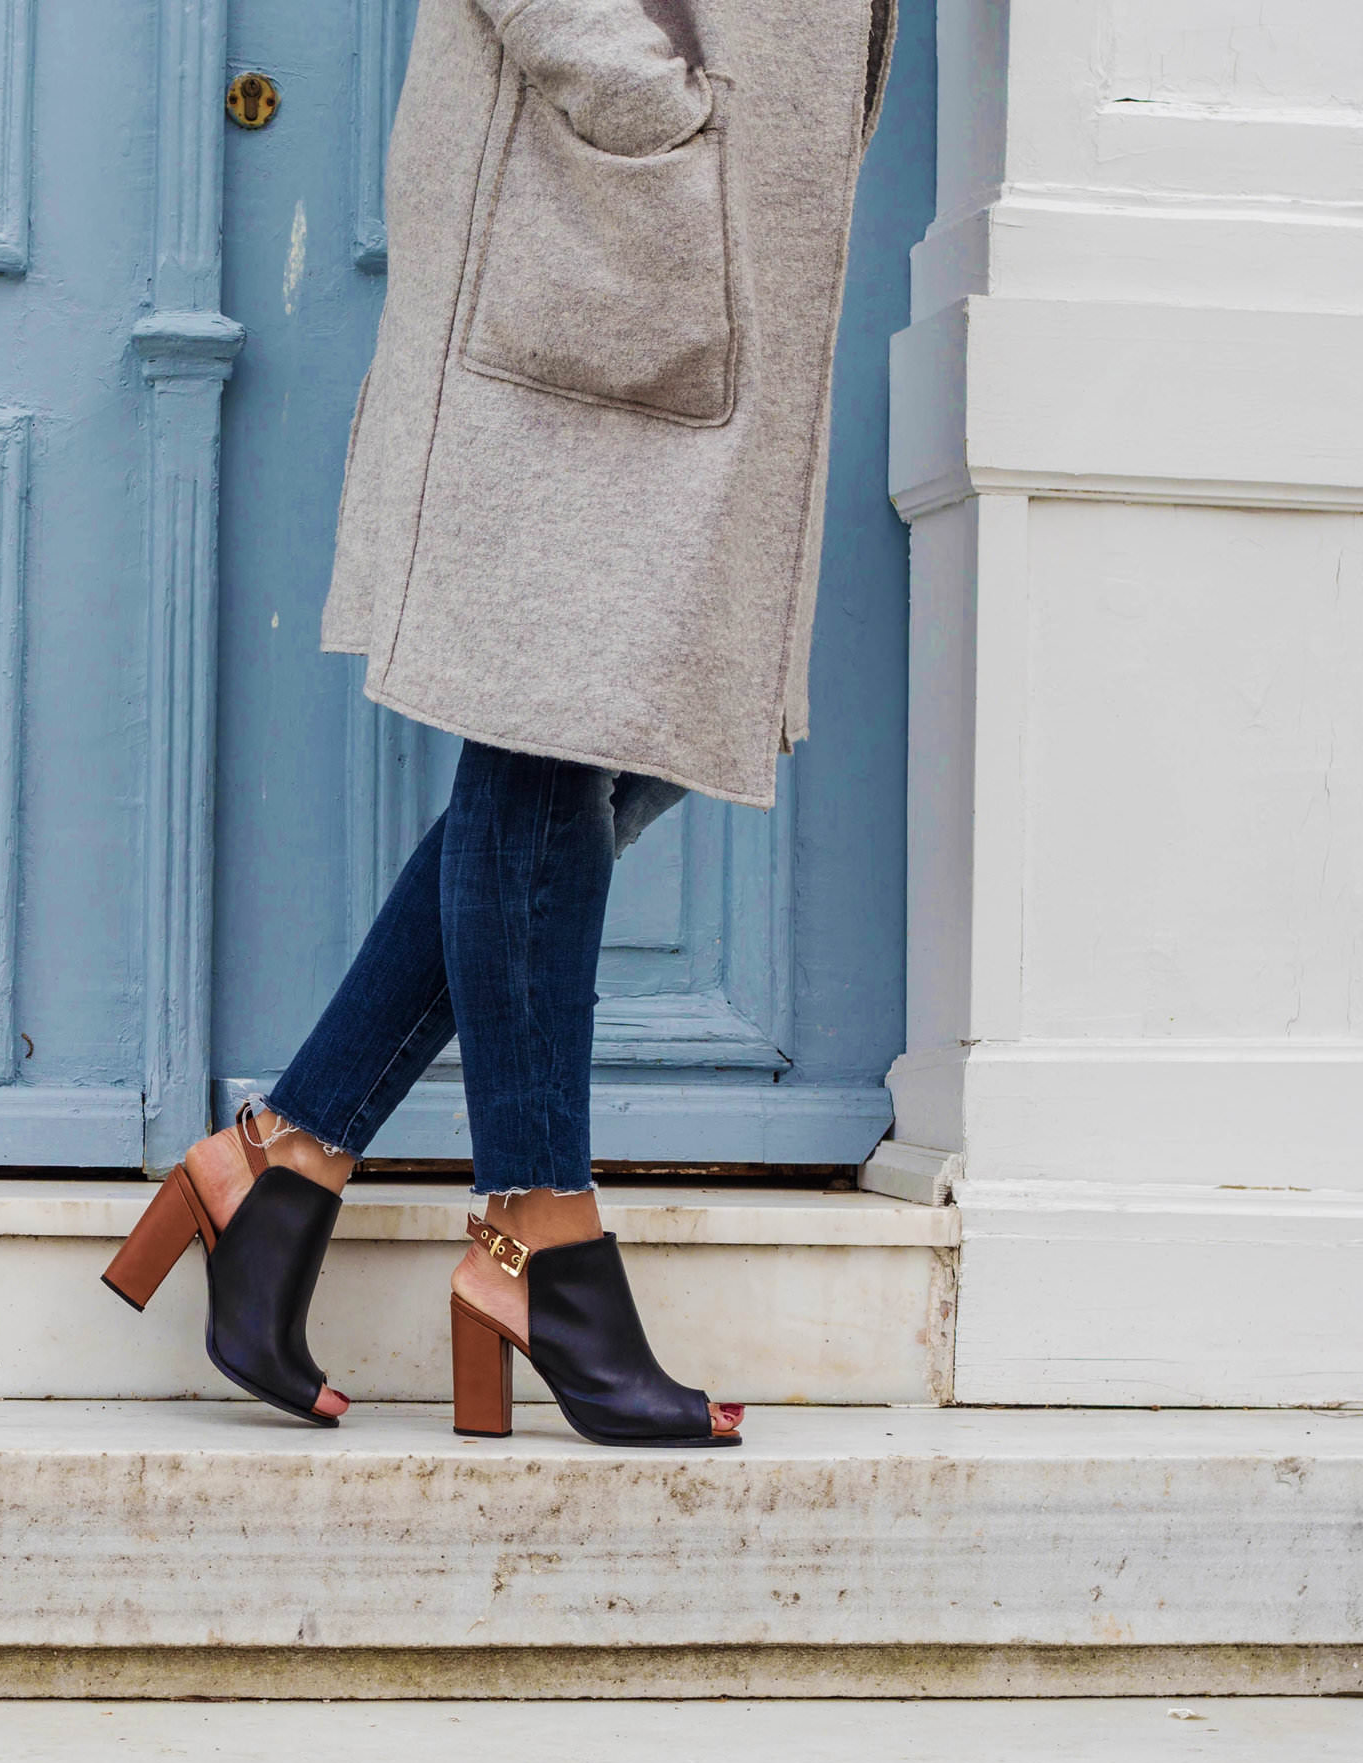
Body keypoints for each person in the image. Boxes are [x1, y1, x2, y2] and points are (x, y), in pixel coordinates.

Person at [104, 0, 895, 1446]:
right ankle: (540, 1232)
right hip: (606, 228)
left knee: (600, 739)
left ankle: (279, 1158)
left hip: (692, 247)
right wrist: (662, 120)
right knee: (557, 725)